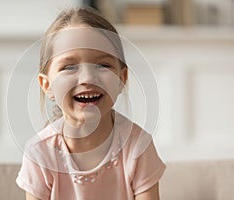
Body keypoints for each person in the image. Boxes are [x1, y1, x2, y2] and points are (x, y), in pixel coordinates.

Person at [16, 7, 166, 200]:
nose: (87, 78)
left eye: (102, 65)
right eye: (69, 67)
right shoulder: (39, 152)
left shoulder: (138, 146)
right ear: (47, 85)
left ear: (122, 78)